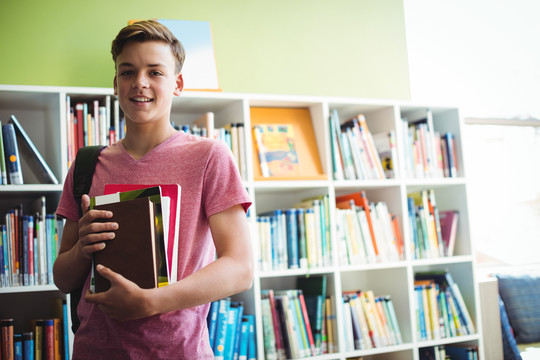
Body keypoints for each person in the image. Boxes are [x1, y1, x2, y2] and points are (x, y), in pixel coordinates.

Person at [53, 20, 253, 359]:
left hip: (179, 351)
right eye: (128, 72)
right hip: (93, 350)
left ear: (177, 83)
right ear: (115, 84)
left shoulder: (209, 157)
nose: (140, 83)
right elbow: (63, 278)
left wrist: (151, 302)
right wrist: (81, 249)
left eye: (155, 72)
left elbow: (240, 268)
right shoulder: (87, 164)